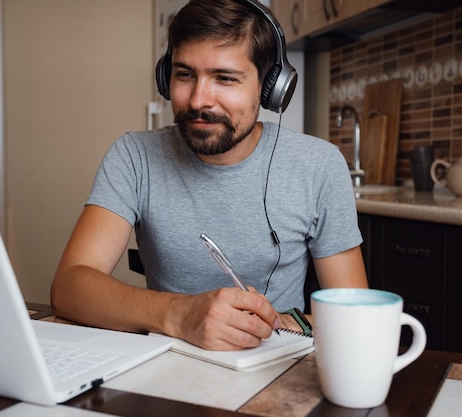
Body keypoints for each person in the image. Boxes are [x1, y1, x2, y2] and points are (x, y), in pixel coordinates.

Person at [51, 0, 367, 351]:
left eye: (225, 78)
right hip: (167, 368)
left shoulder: (319, 165)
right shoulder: (134, 157)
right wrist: (181, 314)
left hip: (274, 368)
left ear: (268, 88)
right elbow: (69, 286)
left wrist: (275, 323)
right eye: (185, 75)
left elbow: (354, 315)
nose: (199, 100)